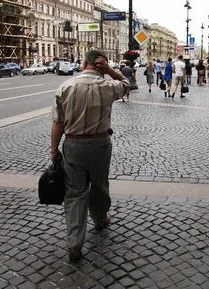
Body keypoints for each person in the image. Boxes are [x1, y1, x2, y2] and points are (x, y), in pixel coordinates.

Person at [50, 50, 130, 263]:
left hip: (73, 144)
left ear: (84, 62)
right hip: (100, 143)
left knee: (75, 193)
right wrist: (110, 71)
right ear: (100, 64)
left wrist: (54, 150)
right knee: (99, 184)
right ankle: (101, 219)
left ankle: (74, 243)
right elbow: (127, 84)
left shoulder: (65, 86)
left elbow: (57, 123)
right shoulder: (108, 86)